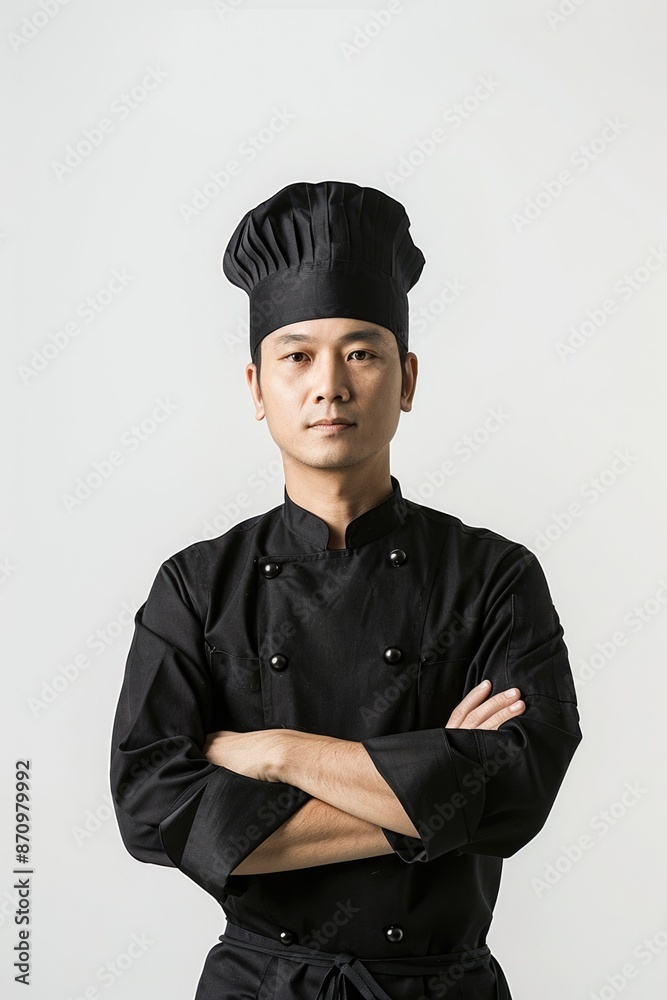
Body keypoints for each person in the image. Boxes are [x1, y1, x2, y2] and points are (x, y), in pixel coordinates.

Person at [109, 180, 583, 999]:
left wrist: (277, 754)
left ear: (406, 379)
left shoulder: (495, 575)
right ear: (256, 387)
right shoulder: (196, 585)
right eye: (296, 356)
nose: (328, 384)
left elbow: (518, 788)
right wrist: (436, 785)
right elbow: (152, 811)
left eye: (361, 353)